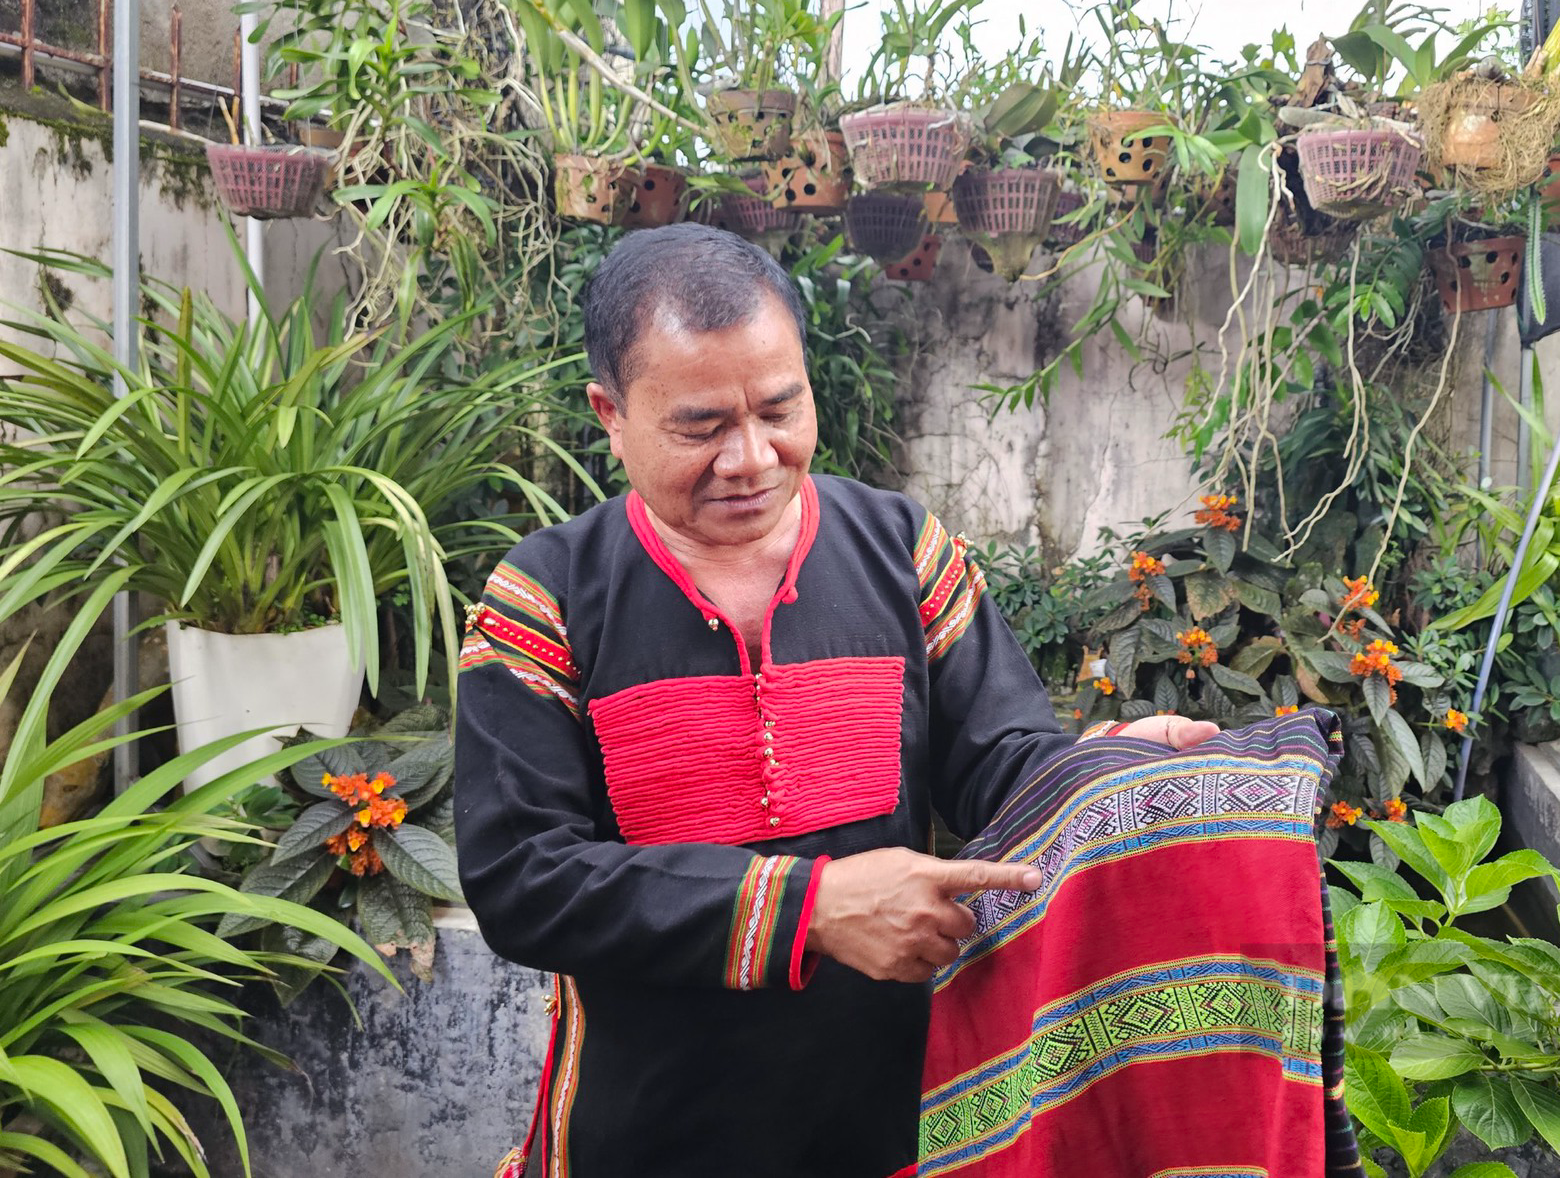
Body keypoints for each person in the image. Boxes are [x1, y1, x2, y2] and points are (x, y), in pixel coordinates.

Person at [454, 224, 1217, 1178]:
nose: (753, 458)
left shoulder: (903, 549)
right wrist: (808, 909)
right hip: (644, 1133)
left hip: (893, 1123)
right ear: (610, 413)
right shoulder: (546, 598)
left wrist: (1103, 768)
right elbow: (524, 878)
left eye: (780, 409)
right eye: (701, 426)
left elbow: (1000, 762)